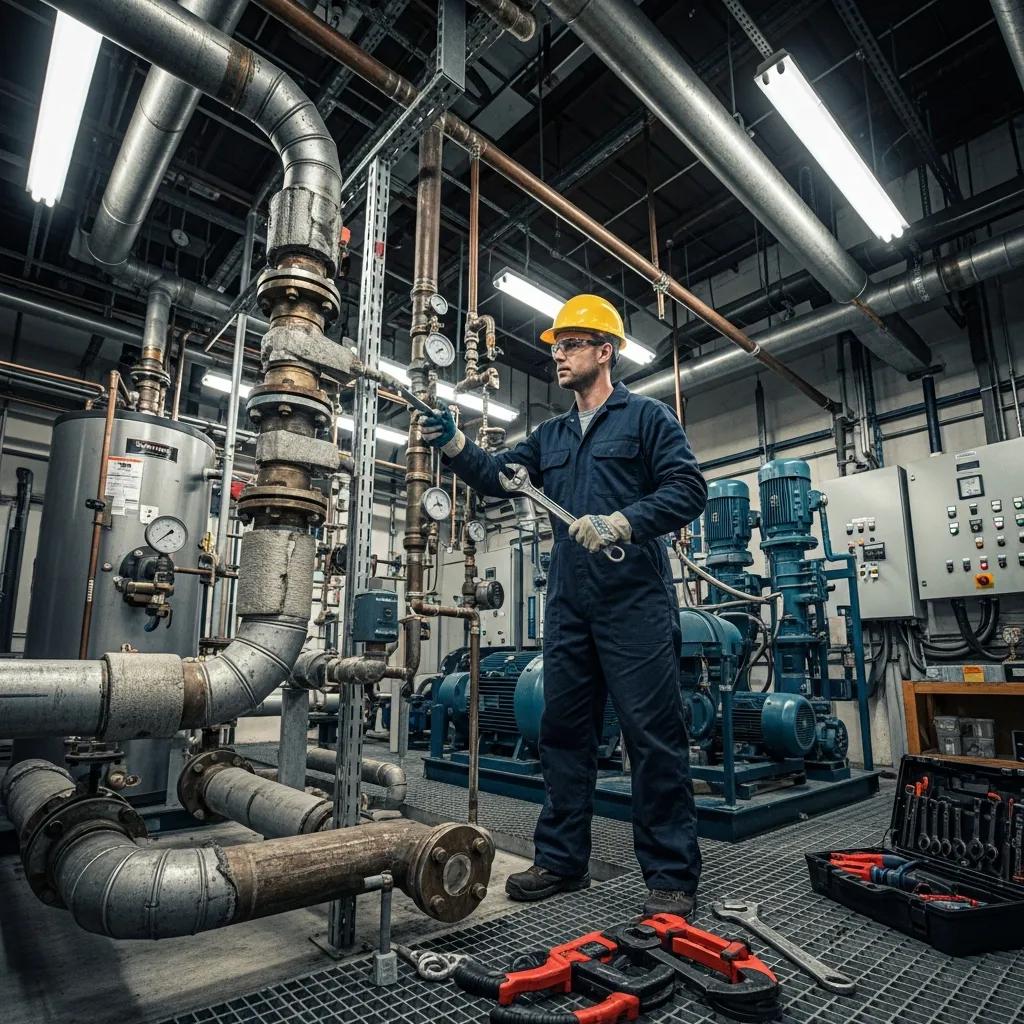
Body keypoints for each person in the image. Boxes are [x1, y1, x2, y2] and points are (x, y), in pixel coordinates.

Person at [418, 294, 707, 917]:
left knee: (652, 737)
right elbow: (499, 476)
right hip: (571, 603)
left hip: (636, 600)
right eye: (555, 345)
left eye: (571, 344)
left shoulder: (648, 419)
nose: (558, 354)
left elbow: (688, 489)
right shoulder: (549, 435)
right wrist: (455, 446)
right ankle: (561, 859)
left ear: (605, 352)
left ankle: (671, 875)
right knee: (562, 733)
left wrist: (625, 523)